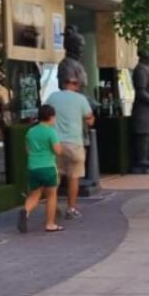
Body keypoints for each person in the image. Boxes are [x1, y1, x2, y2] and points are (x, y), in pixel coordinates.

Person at [44, 71, 94, 220]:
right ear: (76, 85)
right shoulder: (81, 99)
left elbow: (43, 115)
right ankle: (71, 209)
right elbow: (90, 120)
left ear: (63, 84)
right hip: (74, 143)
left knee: (54, 177)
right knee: (74, 178)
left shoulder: (52, 97)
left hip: (54, 143)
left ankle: (54, 207)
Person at [17, 104, 63, 233]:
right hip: (48, 167)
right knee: (51, 195)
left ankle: (25, 212)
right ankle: (50, 224)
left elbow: (27, 150)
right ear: (50, 117)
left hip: (33, 167)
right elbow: (58, 151)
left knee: (34, 195)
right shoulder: (51, 132)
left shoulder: (31, 132)